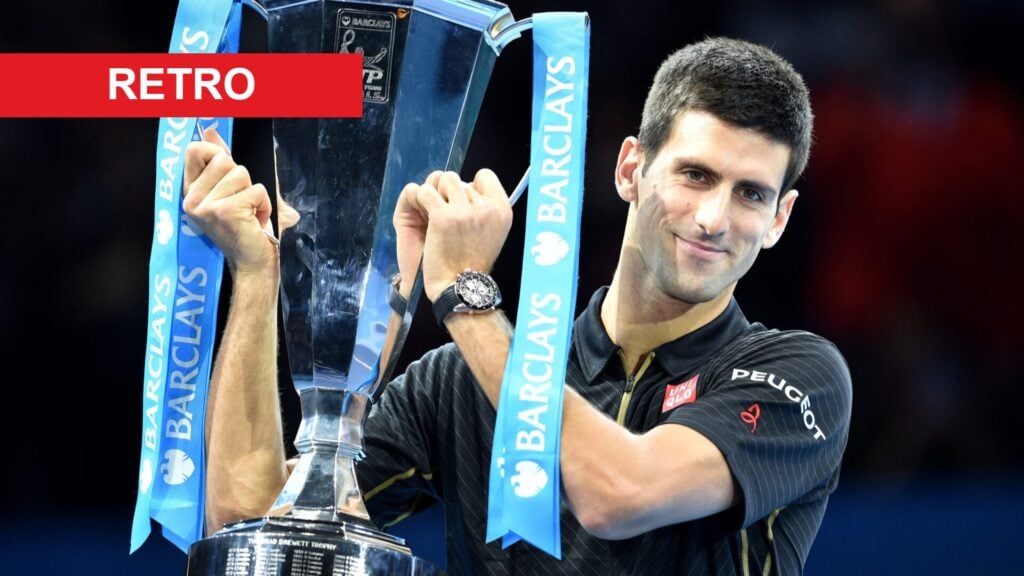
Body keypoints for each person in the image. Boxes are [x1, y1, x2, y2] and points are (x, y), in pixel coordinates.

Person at [183, 37, 852, 575]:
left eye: (751, 194)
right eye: (695, 175)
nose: (713, 219)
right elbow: (253, 529)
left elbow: (618, 494)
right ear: (630, 169)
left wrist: (464, 290)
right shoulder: (459, 379)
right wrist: (257, 275)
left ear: (780, 218)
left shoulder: (797, 377)